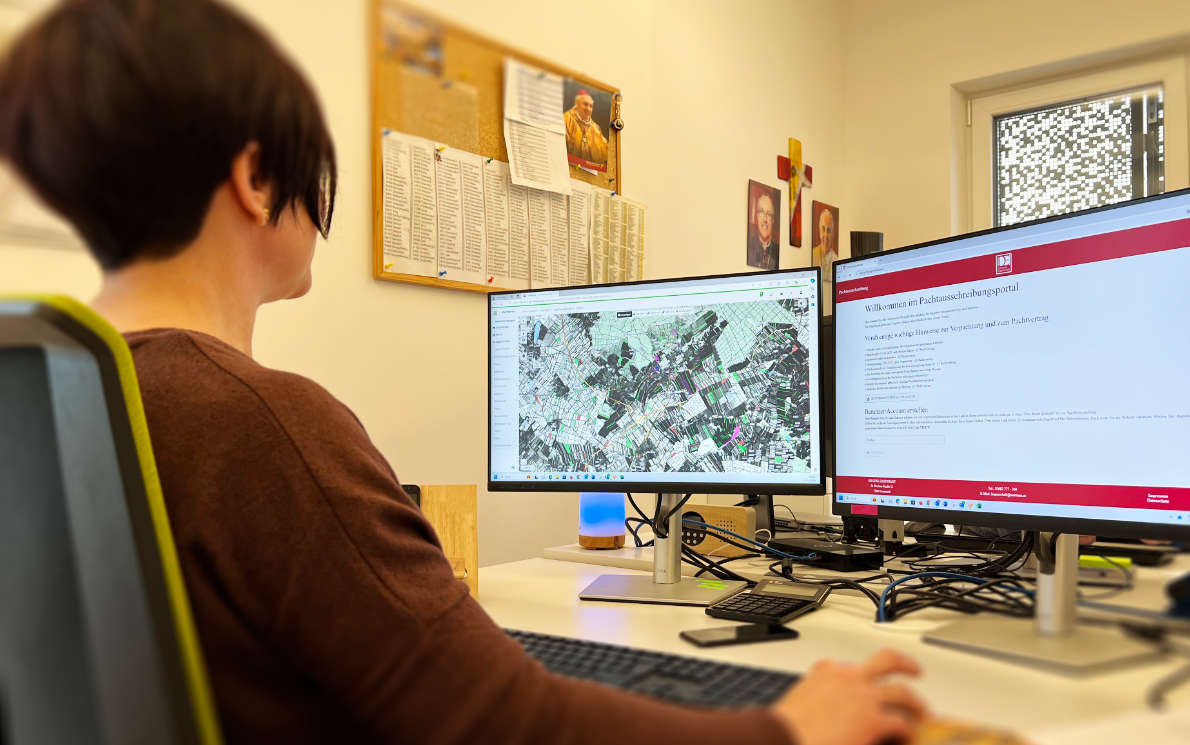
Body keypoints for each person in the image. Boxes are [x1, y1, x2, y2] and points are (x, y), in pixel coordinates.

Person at [0, 2, 926, 744]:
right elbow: (506, 724)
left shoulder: (54, 389)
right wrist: (787, 727)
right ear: (256, 177)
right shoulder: (255, 419)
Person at [564, 88, 608, 167]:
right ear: (577, 105)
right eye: (585, 104)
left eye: (591, 106)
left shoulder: (595, 128)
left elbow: (605, 154)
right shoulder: (566, 120)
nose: (588, 109)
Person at [748, 190, 779, 269]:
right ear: (756, 216)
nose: (765, 219)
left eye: (769, 214)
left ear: (773, 219)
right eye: (761, 212)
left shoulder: (778, 252)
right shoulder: (749, 245)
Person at [815, 208, 837, 276]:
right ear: (819, 230)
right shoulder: (813, 254)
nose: (825, 235)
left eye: (829, 230)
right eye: (823, 229)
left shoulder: (836, 260)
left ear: (832, 234)